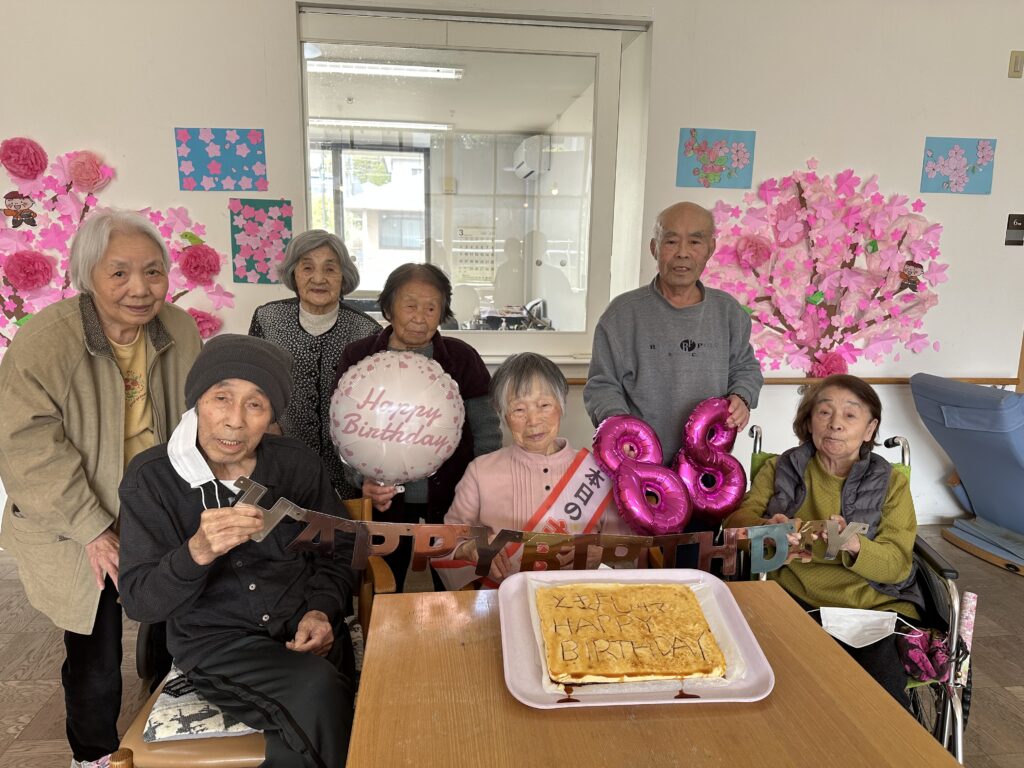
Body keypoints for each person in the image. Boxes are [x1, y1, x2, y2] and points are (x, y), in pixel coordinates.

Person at [0, 208, 201, 767]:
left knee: (176, 616)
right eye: (119, 273)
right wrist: (92, 529)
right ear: (86, 275)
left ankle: (167, 722)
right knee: (96, 645)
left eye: (153, 271)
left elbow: (196, 414)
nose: (140, 288)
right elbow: (25, 448)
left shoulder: (178, 329)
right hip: (76, 514)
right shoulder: (46, 342)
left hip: (156, 505)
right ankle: (92, 755)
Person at [119, 335, 358, 768]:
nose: (235, 421)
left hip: (308, 633)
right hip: (220, 647)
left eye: (256, 404)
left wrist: (321, 611)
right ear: (196, 401)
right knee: (317, 691)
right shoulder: (152, 479)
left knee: (314, 708)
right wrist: (195, 553)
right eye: (221, 398)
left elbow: (340, 548)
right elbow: (140, 601)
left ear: (271, 416)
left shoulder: (295, 464)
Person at [724, 374, 921, 708]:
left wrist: (855, 545)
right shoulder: (780, 468)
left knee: (881, 705)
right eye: (825, 412)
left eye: (850, 415)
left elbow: (898, 565)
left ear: (870, 429)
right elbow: (734, 528)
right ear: (808, 422)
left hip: (869, 610)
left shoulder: (891, 484)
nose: (835, 424)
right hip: (792, 602)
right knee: (785, 695)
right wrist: (765, 528)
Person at [336, 262, 502, 591]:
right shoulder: (359, 357)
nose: (420, 317)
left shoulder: (461, 358)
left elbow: (487, 433)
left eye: (431, 308)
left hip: (453, 498)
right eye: (410, 305)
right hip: (385, 503)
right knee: (385, 586)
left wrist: (481, 492)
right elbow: (342, 433)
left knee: (454, 586)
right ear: (388, 308)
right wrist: (361, 480)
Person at [584, 201, 763, 461]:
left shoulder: (728, 312)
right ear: (654, 248)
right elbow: (602, 385)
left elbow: (745, 368)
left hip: (707, 466)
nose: (682, 253)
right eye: (671, 242)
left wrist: (741, 396)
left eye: (695, 242)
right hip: (638, 462)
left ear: (710, 248)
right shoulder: (621, 314)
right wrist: (621, 430)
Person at [445, 353, 629, 585]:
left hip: (581, 597)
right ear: (503, 415)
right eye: (519, 410)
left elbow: (627, 547)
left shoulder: (597, 471)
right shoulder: (480, 472)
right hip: (504, 596)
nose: (533, 421)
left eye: (544, 405)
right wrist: (471, 549)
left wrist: (601, 553)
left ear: (561, 406)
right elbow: (445, 544)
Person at [249, 229, 379, 498]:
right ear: (294, 273)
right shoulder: (268, 319)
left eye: (330, 269)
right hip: (283, 457)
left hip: (348, 467)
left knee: (344, 522)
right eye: (307, 267)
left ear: (343, 276)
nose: (318, 278)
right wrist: (268, 423)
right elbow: (253, 383)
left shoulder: (366, 330)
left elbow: (377, 402)